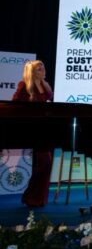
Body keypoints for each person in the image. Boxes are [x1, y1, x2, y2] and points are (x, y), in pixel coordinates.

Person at [12, 60, 54, 207]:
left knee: (44, 164)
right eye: (39, 69)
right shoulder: (24, 85)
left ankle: (35, 198)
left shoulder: (45, 85)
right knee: (44, 162)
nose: (43, 70)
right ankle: (32, 197)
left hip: (44, 129)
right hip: (32, 129)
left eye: (43, 67)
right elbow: (15, 104)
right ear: (32, 72)